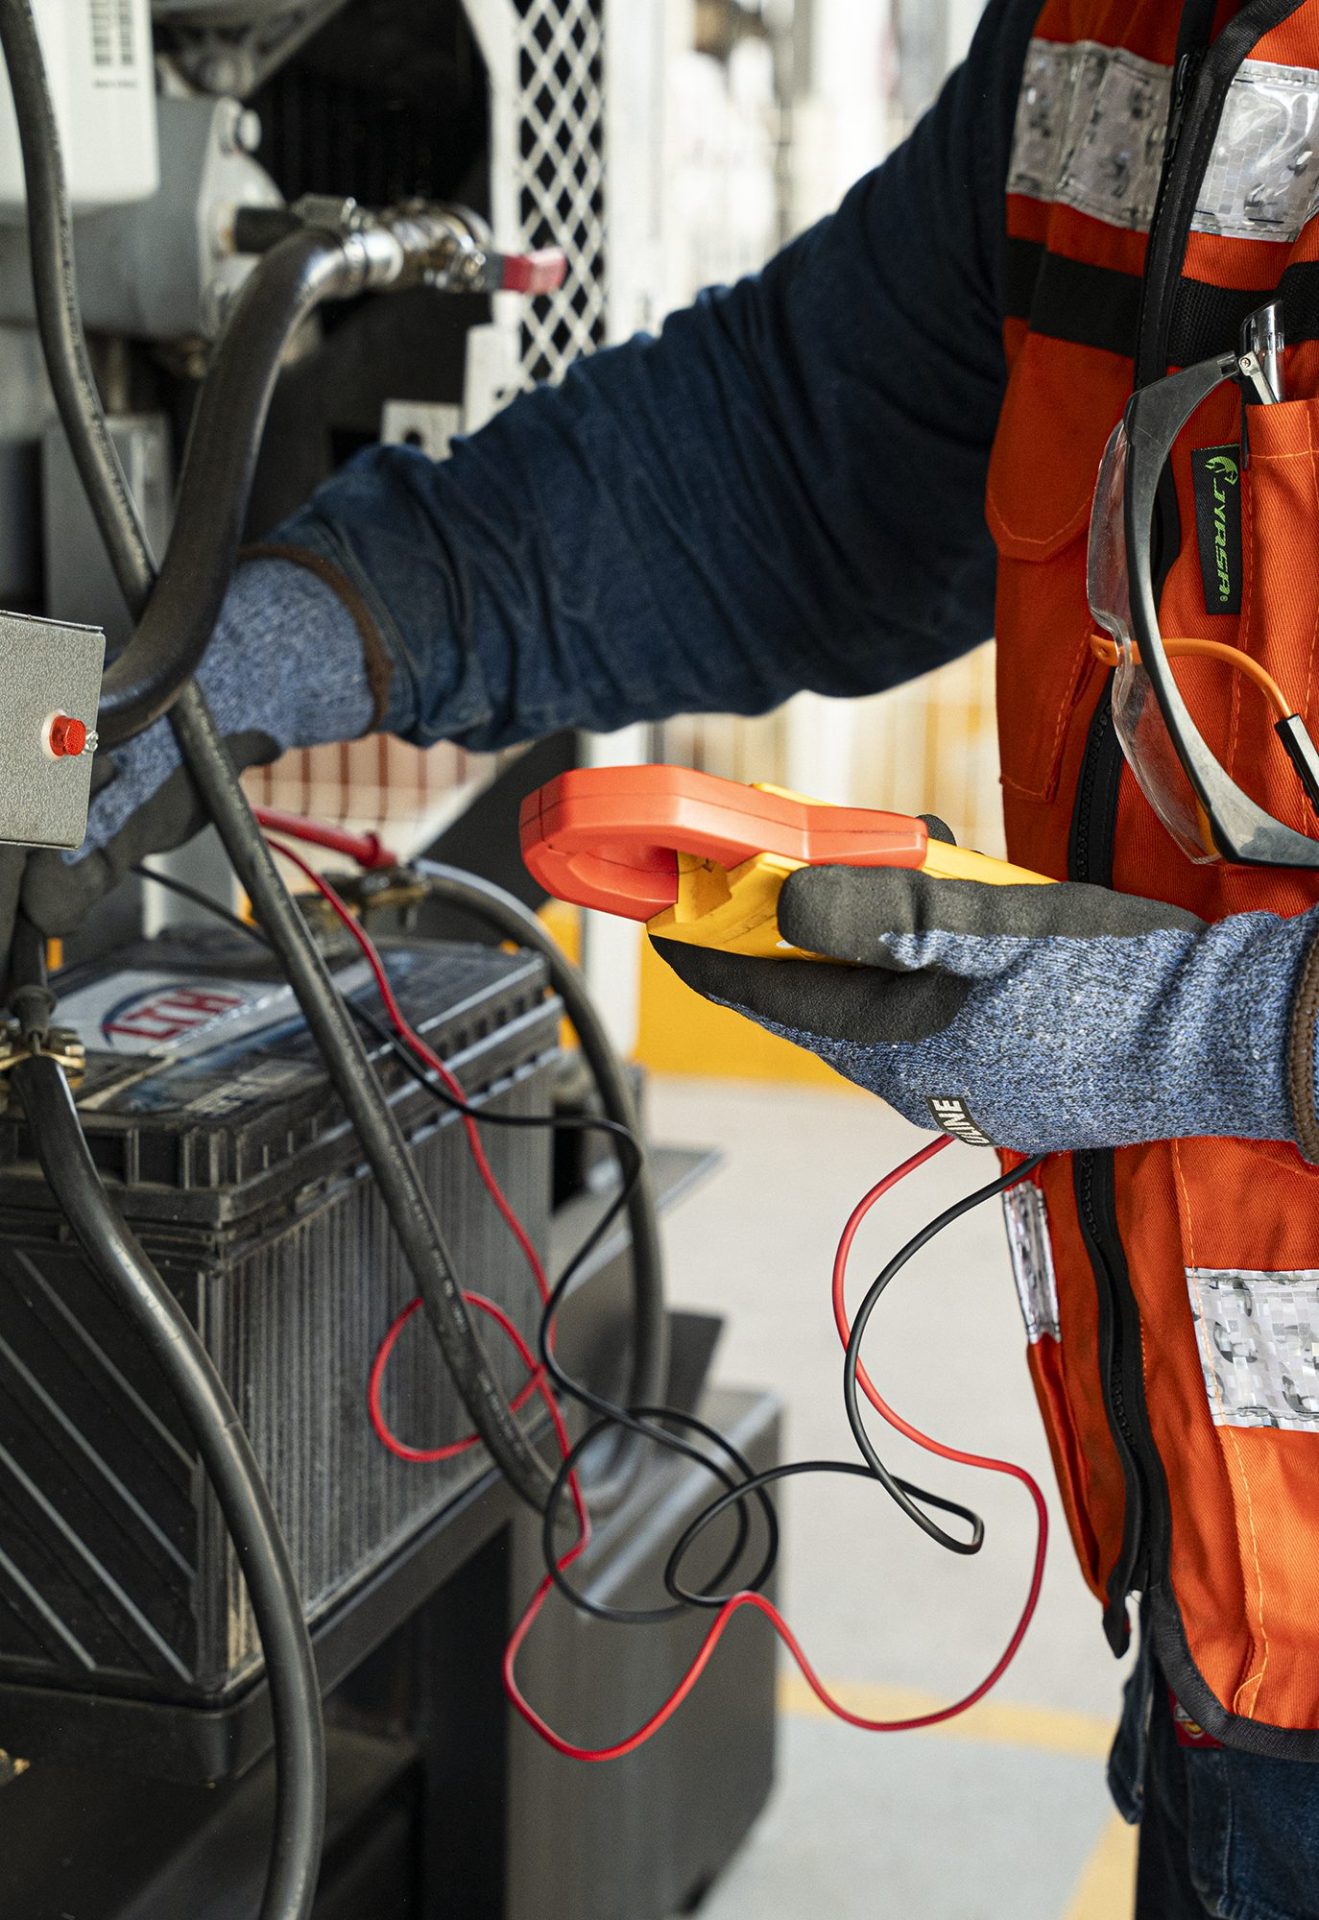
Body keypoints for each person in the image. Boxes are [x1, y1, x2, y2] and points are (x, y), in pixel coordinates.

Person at [21, 2, 1319, 1913]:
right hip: (1235, 1645)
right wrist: (282, 634)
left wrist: (1211, 1037)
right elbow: (782, 463)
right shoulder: (1115, 36)